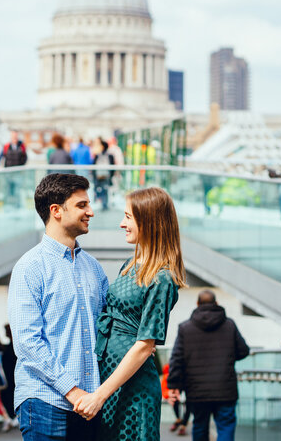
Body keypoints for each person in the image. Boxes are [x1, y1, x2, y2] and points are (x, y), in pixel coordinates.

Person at [74, 187, 186, 441]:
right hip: (110, 381)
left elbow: (145, 346)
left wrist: (99, 395)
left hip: (131, 389)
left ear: (148, 221)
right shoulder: (131, 264)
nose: (122, 223)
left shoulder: (162, 277)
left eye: (128, 217)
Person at [8, 173, 108, 441]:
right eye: (82, 205)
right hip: (44, 402)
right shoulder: (30, 268)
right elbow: (28, 343)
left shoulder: (94, 269)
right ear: (56, 211)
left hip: (89, 405)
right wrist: (73, 391)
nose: (91, 212)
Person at [167, 290, 250, 441]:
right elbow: (243, 351)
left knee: (199, 425)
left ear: (197, 304)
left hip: (196, 390)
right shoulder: (229, 325)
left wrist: (173, 385)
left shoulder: (185, 328)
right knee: (226, 426)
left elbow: (177, 359)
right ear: (216, 304)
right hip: (225, 388)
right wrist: (227, 357)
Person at [0, 323, 17, 427]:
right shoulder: (10, 347)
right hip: (10, 377)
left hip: (12, 378)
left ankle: (13, 417)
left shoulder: (13, 347)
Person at [92, 139, 115, 211]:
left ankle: (101, 203)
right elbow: (112, 167)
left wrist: (94, 176)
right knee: (105, 190)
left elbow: (93, 166)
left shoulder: (98, 155)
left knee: (99, 189)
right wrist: (111, 176)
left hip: (99, 176)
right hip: (106, 176)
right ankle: (104, 204)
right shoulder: (110, 155)